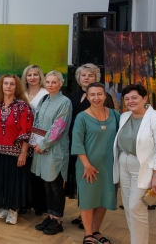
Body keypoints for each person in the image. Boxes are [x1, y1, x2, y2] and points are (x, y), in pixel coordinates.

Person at [113, 84, 156, 244]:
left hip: (144, 168)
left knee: (136, 207)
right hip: (124, 164)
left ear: (144, 98)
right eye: (127, 99)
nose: (131, 101)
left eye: (134, 97)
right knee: (128, 207)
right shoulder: (125, 117)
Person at [66, 63, 115, 228]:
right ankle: (84, 216)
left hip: (96, 146)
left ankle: (90, 221)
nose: (86, 78)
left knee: (94, 183)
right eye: (83, 75)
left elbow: (109, 123)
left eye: (90, 75)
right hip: (77, 144)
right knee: (83, 183)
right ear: (78, 78)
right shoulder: (73, 96)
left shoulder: (103, 97)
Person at [72, 82, 119, 244]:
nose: (96, 98)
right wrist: (87, 165)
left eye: (99, 94)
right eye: (92, 94)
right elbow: (77, 143)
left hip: (108, 166)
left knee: (103, 199)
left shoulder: (115, 115)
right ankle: (88, 234)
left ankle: (97, 231)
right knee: (88, 199)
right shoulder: (82, 117)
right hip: (87, 166)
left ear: (105, 96)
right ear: (88, 96)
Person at [0, 74, 33, 225]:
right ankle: (5, 207)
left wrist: (23, 153)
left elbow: (27, 131)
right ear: (1, 86)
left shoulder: (23, 106)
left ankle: (13, 210)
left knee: (14, 182)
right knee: (2, 181)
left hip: (16, 152)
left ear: (16, 87)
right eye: (6, 83)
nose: (8, 86)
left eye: (12, 84)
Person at [31, 71, 73, 236]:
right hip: (40, 148)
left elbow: (58, 127)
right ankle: (50, 216)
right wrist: (34, 142)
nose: (50, 85)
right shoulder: (44, 99)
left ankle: (57, 220)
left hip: (55, 149)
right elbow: (37, 121)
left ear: (60, 83)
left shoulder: (65, 102)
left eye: (54, 82)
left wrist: (43, 144)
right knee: (46, 185)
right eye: (47, 82)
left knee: (56, 186)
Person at [21, 64, 48, 216]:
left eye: (35, 75)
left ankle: (40, 205)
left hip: (39, 137)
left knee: (38, 172)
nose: (32, 77)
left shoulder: (45, 93)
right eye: (29, 74)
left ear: (40, 77)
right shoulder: (21, 93)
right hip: (23, 136)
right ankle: (25, 203)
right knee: (24, 171)